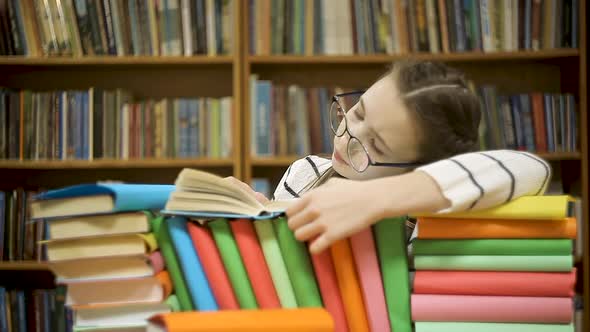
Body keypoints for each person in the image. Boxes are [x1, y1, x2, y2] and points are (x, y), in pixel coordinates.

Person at [240, 61, 551, 254]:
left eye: (377, 147)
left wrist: (376, 198)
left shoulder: (426, 225)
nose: (349, 136)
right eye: (358, 112)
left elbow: (533, 168)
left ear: (414, 169)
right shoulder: (304, 174)